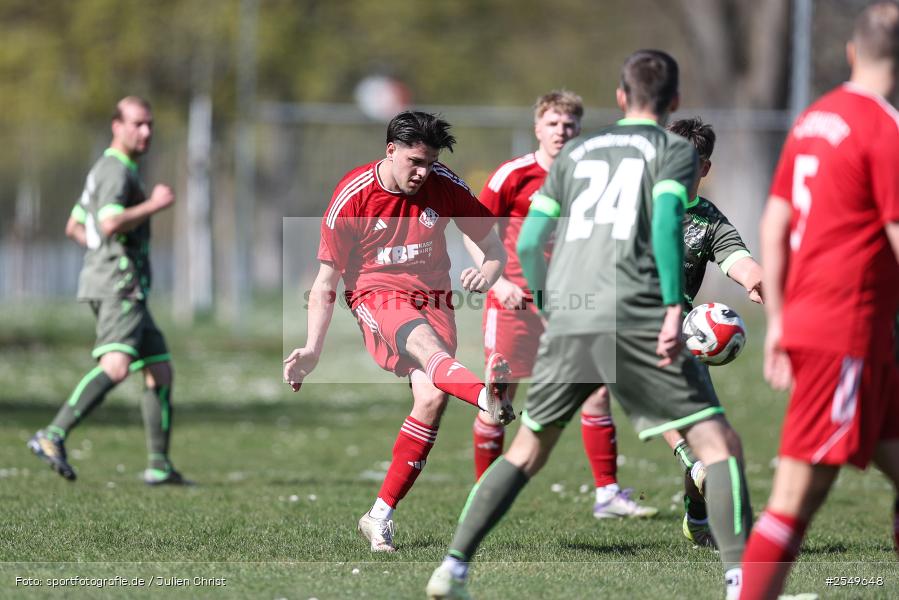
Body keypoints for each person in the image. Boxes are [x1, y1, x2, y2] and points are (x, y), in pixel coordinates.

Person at [427, 50, 752, 600]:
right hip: (639, 314)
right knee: (719, 448)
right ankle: (743, 583)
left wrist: (548, 303)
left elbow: (530, 240)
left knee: (526, 451)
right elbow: (667, 226)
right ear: (673, 101)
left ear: (621, 97)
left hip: (573, 317)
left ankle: (452, 568)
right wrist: (671, 308)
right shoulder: (674, 151)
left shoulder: (577, 152)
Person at [282, 111, 513, 553]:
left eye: (430, 163)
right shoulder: (353, 196)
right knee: (425, 347)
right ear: (391, 151)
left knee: (431, 398)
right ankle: (488, 398)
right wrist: (312, 349)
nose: (423, 172)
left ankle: (378, 516)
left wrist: (486, 274)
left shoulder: (445, 184)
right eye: (415, 162)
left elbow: (493, 249)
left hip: (434, 298)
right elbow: (326, 282)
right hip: (376, 294)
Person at [741, 3, 899, 598]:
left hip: (837, 330)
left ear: (853, 52)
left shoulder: (813, 118)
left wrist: (779, 321)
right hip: (845, 335)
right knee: (793, 501)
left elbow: (774, 222)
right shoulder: (885, 128)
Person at [463, 90, 657, 519]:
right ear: (538, 128)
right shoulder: (513, 175)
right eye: (552, 123)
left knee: (597, 392)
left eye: (569, 125)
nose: (561, 131)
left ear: (579, 129)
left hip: (572, 303)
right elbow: (474, 232)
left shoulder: (592, 175)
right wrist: (497, 281)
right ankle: (483, 497)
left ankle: (607, 495)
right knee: (498, 401)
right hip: (515, 301)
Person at [28, 96, 186, 485]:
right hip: (119, 285)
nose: (146, 131)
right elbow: (111, 222)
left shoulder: (105, 168)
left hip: (120, 282)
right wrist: (154, 205)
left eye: (149, 124)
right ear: (117, 126)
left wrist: (101, 252)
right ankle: (53, 434)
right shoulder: (116, 171)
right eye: (137, 124)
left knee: (159, 369)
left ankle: (159, 466)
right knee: (116, 365)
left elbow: (75, 226)